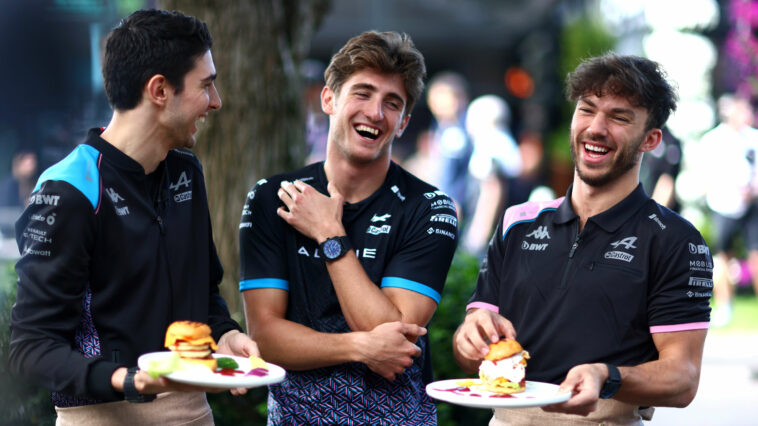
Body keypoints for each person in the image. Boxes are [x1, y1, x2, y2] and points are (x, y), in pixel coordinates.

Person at [9, 9, 258, 425]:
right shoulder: (68, 188)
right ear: (160, 90)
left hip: (194, 412)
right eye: (207, 85)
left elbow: (205, 293)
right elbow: (31, 348)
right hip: (100, 415)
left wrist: (226, 334)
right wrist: (128, 380)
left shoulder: (187, 172)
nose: (216, 102)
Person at [453, 53, 712, 425]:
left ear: (650, 139)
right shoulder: (518, 222)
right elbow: (475, 343)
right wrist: (468, 338)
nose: (596, 128)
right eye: (587, 110)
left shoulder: (676, 240)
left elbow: (682, 378)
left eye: (619, 117)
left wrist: (606, 376)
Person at [239, 31, 458, 424]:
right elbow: (265, 337)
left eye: (392, 103)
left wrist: (331, 236)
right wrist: (359, 347)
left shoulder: (430, 207)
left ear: (404, 122)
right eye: (362, 93)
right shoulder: (274, 197)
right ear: (328, 99)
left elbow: (394, 333)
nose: (375, 113)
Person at [699, 94, 758, 327]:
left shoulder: (753, 138)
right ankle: (725, 305)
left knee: (755, 255)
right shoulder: (713, 140)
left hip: (751, 206)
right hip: (723, 205)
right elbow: (707, 173)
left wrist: (752, 190)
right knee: (722, 257)